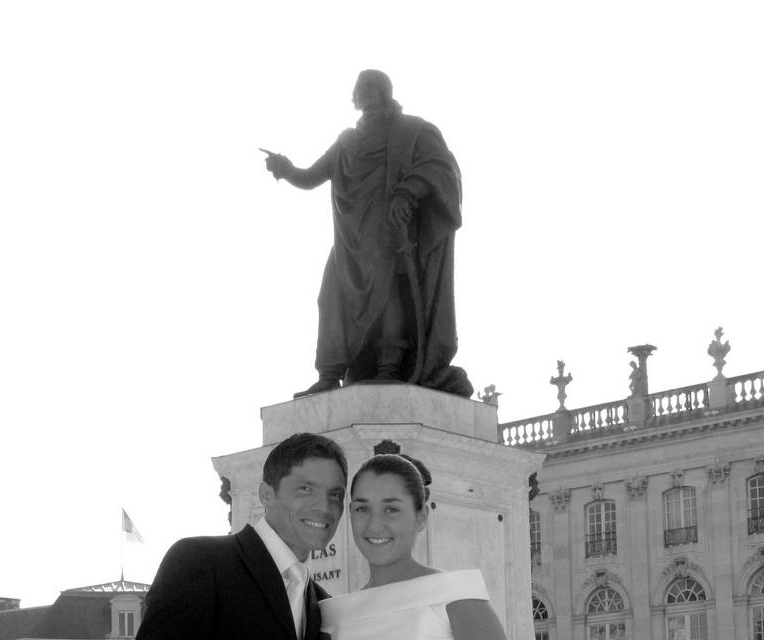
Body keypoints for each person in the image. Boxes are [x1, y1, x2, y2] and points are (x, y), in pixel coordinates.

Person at [264, 70, 473, 399]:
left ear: (385, 91)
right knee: (329, 298)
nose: (363, 94)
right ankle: (330, 374)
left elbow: (441, 167)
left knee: (389, 296)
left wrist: (408, 191)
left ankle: (389, 368)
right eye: (359, 89)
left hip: (390, 238)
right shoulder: (347, 141)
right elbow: (311, 176)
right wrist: (287, 169)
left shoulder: (413, 130)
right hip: (351, 243)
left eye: (370, 88)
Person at [136, 433, 347, 640]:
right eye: (305, 489)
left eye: (335, 495)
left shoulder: (321, 604)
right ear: (266, 494)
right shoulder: (199, 561)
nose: (325, 506)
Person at [319, 454, 507, 640]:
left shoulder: (457, 600)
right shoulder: (334, 617)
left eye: (391, 509)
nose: (374, 526)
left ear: (421, 517)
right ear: (350, 513)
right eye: (362, 509)